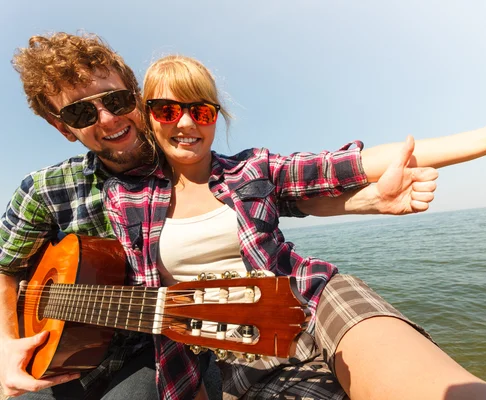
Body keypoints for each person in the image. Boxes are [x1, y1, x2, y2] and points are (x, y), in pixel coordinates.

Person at [0, 31, 439, 400]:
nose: (107, 117)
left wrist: (367, 201)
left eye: (116, 99)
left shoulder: (179, 153)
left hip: (153, 350)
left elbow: (269, 196)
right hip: (62, 348)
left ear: (137, 99)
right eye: (80, 112)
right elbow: (6, 268)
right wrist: (5, 344)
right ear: (62, 127)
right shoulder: (42, 191)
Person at [102, 53, 486, 400]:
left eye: (200, 111)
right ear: (147, 117)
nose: (185, 122)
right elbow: (154, 308)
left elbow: (350, 164)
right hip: (244, 352)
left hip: (312, 296)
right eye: (167, 110)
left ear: (214, 118)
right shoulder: (126, 199)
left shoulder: (252, 170)